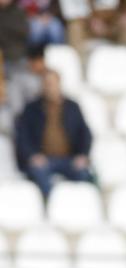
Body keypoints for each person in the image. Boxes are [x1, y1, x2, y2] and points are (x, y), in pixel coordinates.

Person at [15, 70, 91, 198]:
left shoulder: (72, 107)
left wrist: (82, 155)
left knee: (83, 175)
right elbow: (22, 137)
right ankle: (50, 206)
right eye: (47, 83)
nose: (49, 87)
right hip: (43, 160)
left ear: (59, 84)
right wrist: (32, 155)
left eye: (52, 83)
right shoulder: (31, 109)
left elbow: (85, 134)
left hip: (69, 159)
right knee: (40, 173)